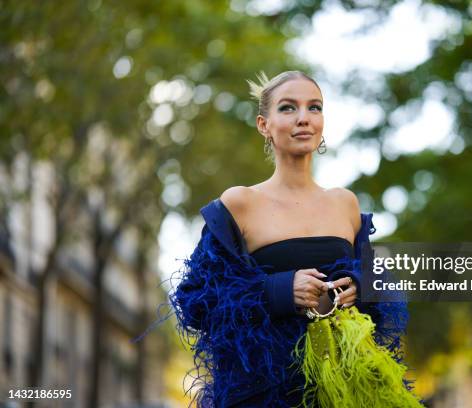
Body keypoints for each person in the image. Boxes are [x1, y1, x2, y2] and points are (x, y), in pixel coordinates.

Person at [170, 70, 409, 407]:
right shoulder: (239, 203)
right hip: (265, 394)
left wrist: (357, 286)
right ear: (263, 125)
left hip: (345, 393)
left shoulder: (346, 203)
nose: (303, 118)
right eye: (287, 108)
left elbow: (380, 289)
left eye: (314, 107)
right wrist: (281, 290)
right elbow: (196, 302)